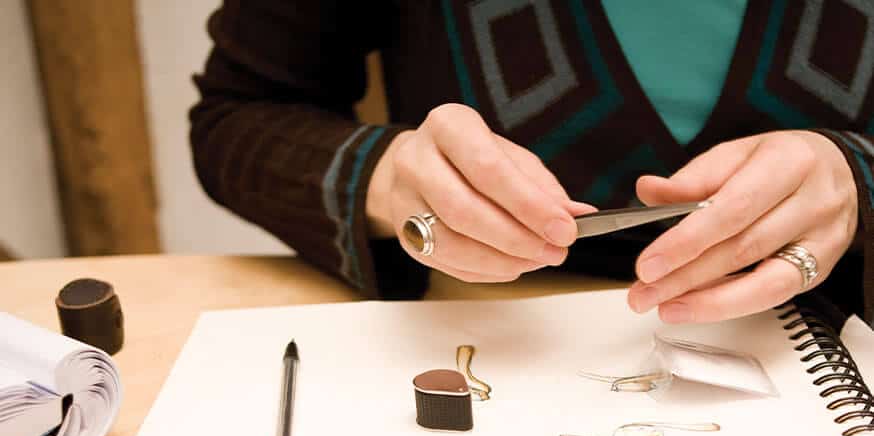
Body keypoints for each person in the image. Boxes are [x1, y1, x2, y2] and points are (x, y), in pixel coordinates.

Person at [189, 1, 872, 327]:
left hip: (836, 366)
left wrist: (859, 179)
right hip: (492, 357)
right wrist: (386, 177)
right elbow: (237, 115)